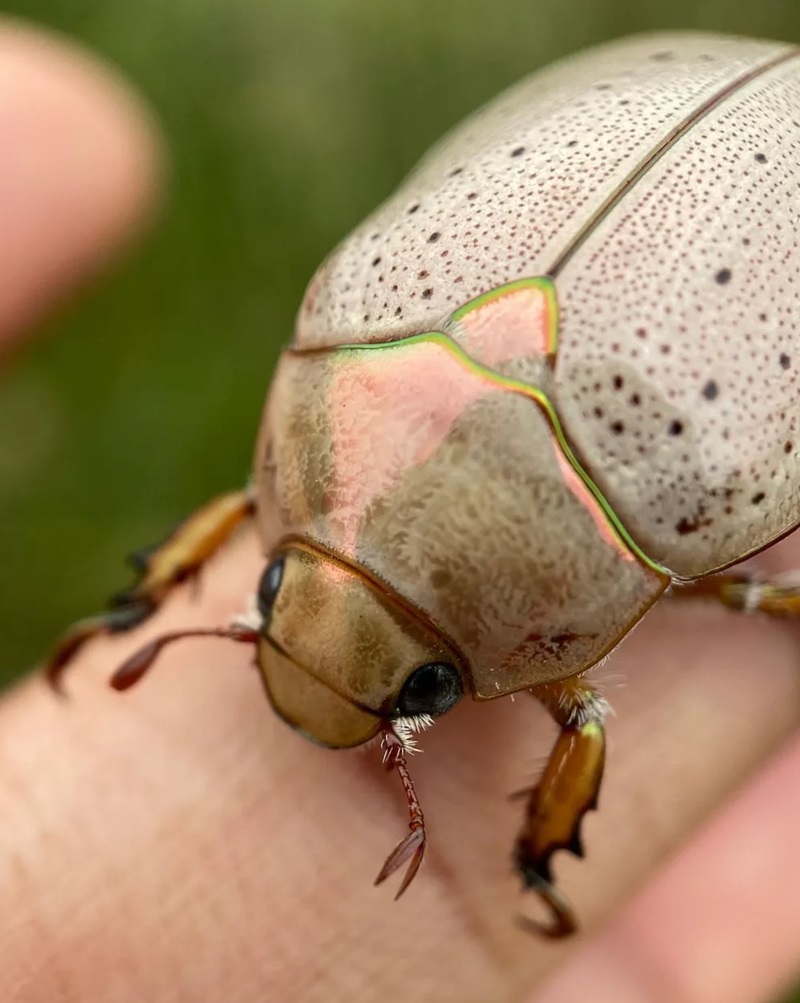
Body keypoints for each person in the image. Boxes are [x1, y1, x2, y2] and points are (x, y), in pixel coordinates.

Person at [2, 18, 800, 1002]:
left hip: (699, 139)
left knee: (611, 696)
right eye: (272, 577)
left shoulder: (674, 482)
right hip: (667, 98)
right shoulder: (343, 357)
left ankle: (533, 852)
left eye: (425, 688)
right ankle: (536, 856)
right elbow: (254, 502)